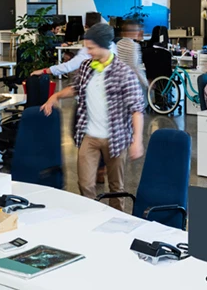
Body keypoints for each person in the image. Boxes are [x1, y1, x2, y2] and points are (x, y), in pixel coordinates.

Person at [40, 23, 145, 211]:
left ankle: (117, 220)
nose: (88, 52)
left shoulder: (124, 72)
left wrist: (137, 141)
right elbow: (76, 88)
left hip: (116, 137)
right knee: (85, 183)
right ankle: (91, 216)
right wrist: (55, 95)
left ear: (104, 45)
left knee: (116, 187)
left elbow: (136, 109)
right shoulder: (87, 66)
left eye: (91, 48)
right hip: (89, 135)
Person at [32, 15, 114, 77]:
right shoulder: (113, 49)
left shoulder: (87, 57)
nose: (88, 51)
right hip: (52, 52)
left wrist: (44, 71)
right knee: (69, 56)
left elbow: (69, 66)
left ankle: (64, 74)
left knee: (70, 56)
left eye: (90, 48)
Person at [116, 20, 147, 88]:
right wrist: (145, 83)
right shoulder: (134, 46)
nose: (137, 32)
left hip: (118, 80)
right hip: (131, 82)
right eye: (136, 30)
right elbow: (136, 67)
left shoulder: (118, 44)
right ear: (130, 32)